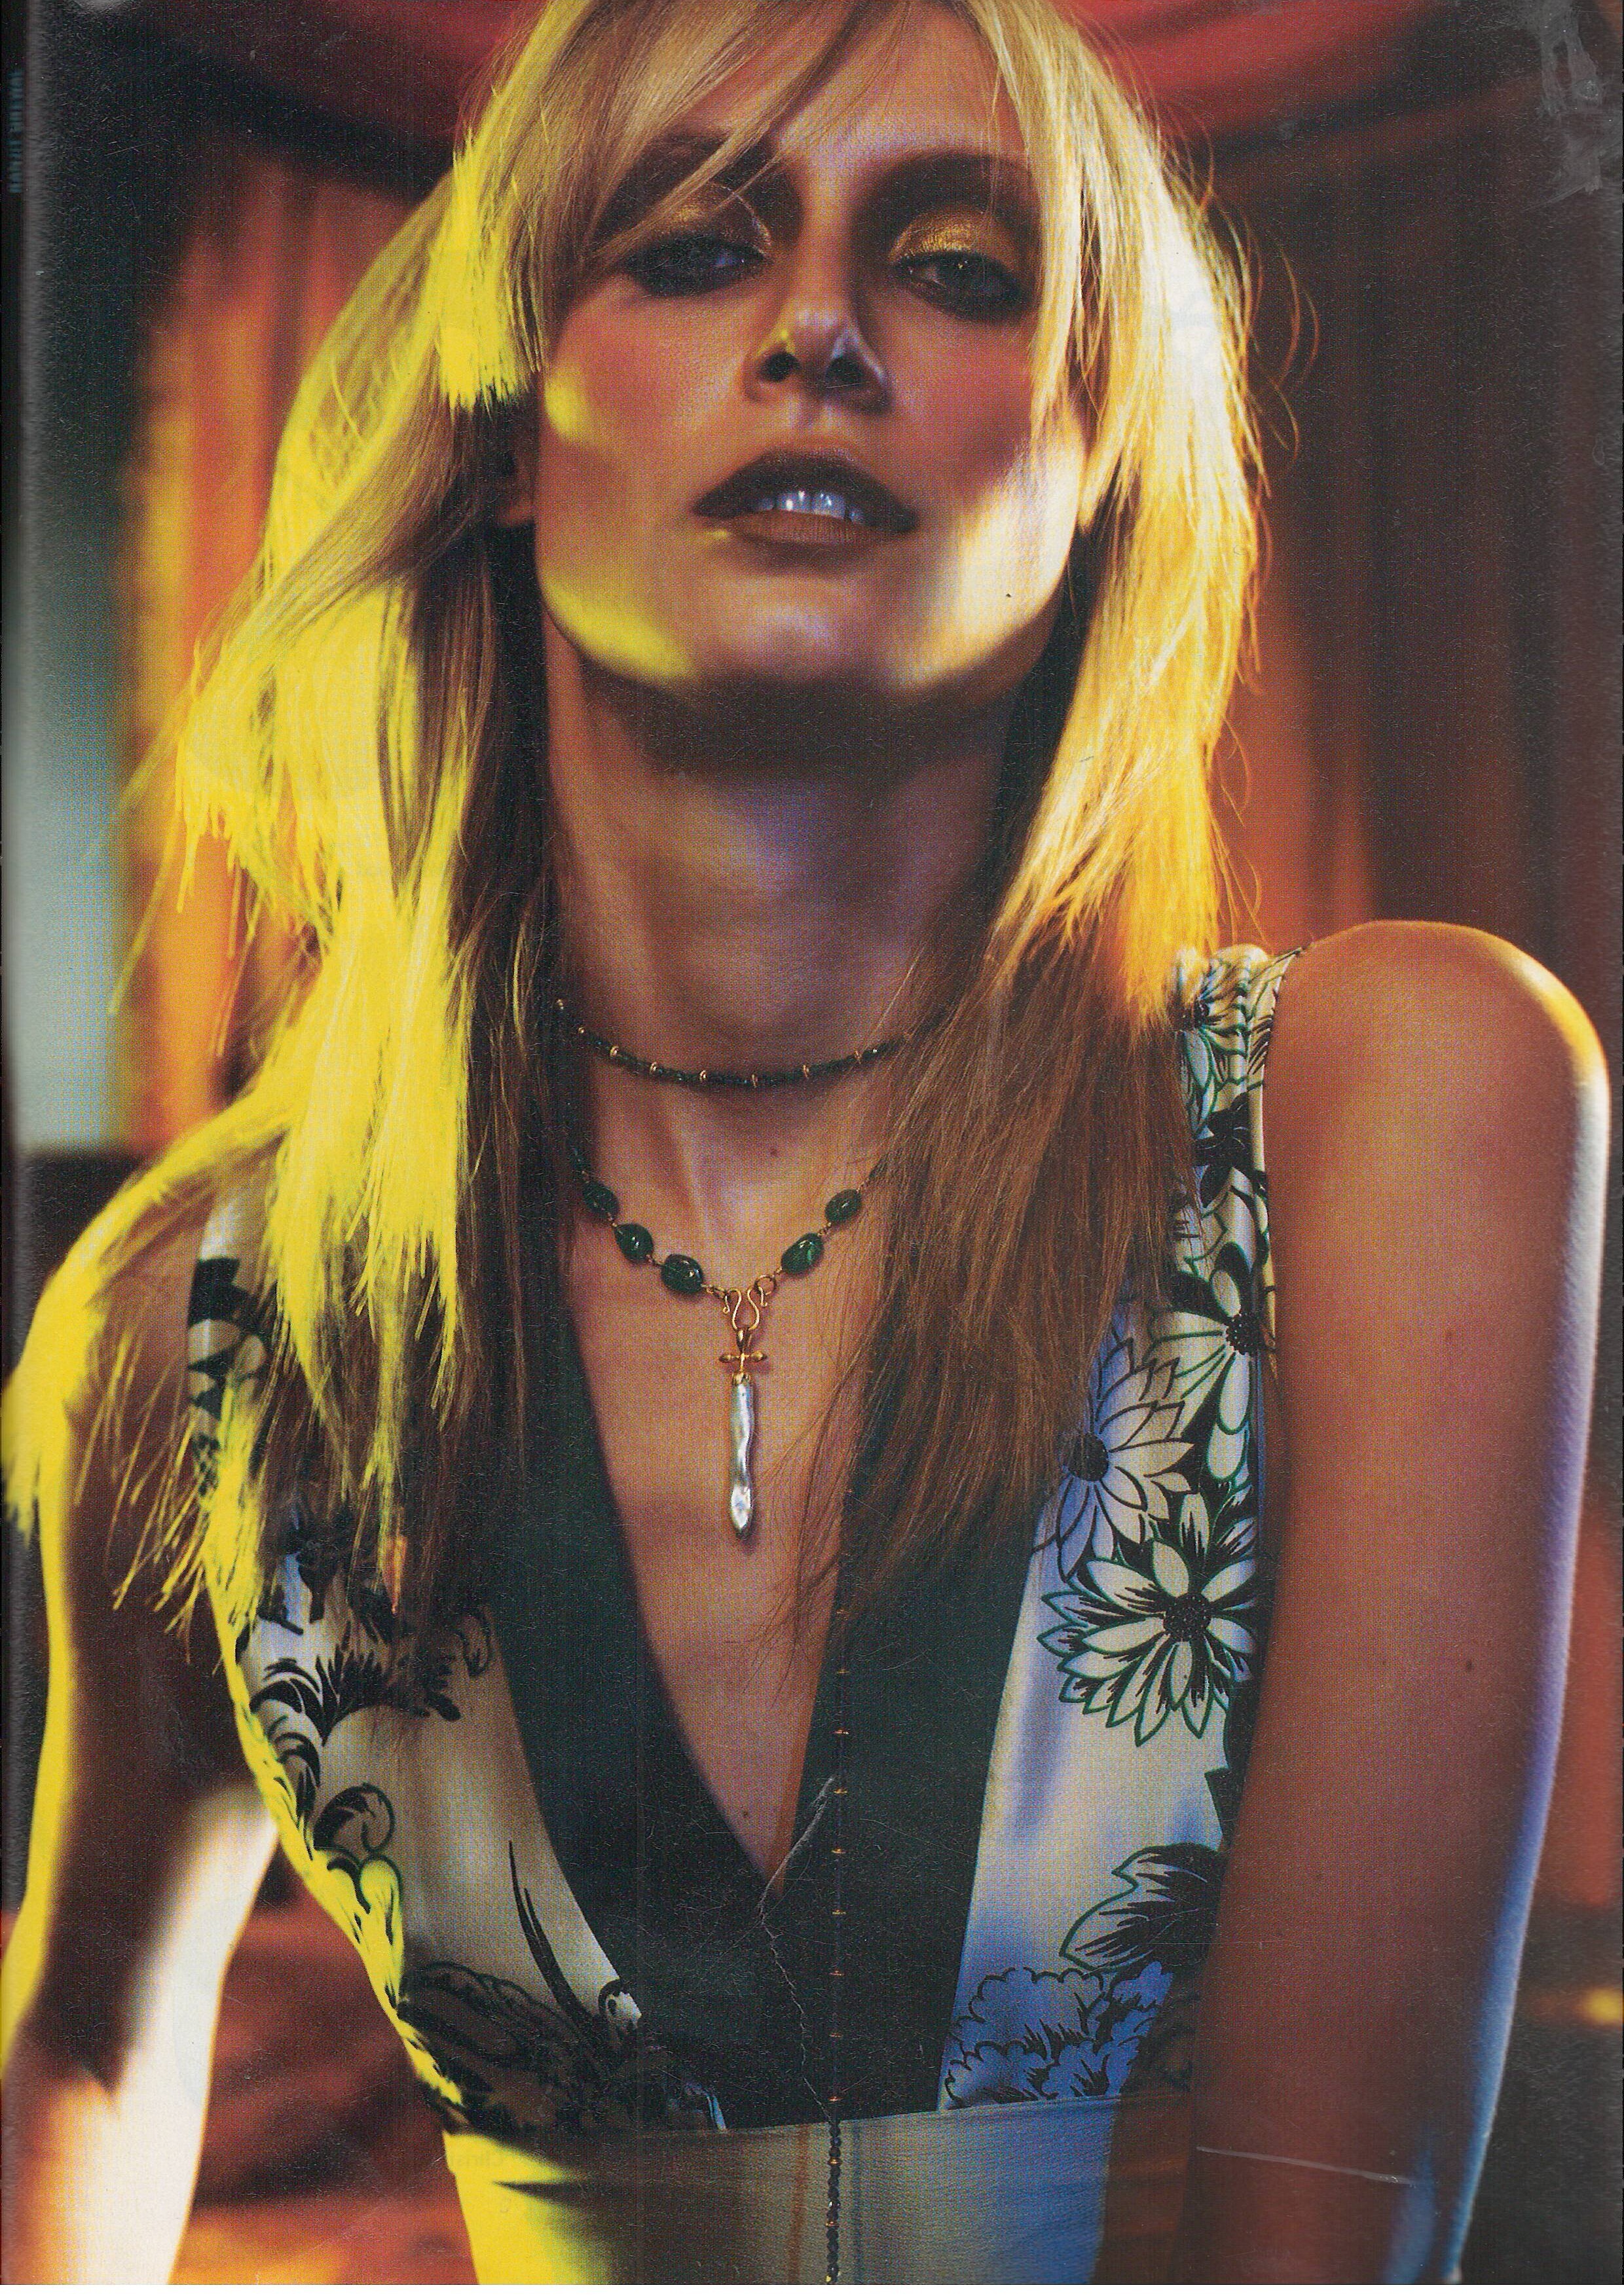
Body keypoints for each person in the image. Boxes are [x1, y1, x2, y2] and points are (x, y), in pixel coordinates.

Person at [0, 0, 1608, 2280]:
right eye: (690, 246)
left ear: (1096, 467)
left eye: (957, 268)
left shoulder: (1392, 1106)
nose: (818, 330)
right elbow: (86, 2046)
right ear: (508, 435)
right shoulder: (196, 1321)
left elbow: (1335, 2229)